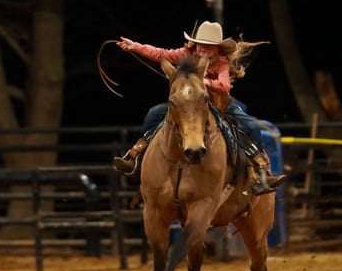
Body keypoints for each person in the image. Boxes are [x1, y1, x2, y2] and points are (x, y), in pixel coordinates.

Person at [112, 21, 285, 196]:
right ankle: (135, 157)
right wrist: (135, 46)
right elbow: (160, 53)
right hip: (185, 105)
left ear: (217, 49)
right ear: (195, 44)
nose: (203, 48)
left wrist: (202, 81)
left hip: (217, 104)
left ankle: (261, 172)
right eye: (201, 44)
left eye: (209, 46)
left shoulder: (221, 62)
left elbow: (224, 85)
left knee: (252, 126)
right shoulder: (186, 54)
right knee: (154, 114)